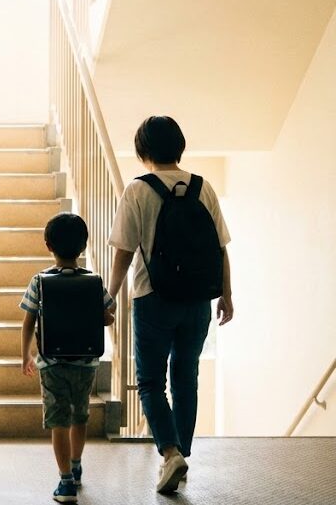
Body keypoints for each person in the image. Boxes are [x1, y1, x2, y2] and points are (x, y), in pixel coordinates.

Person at [107, 115, 234, 494]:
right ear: (179, 146)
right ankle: (182, 453)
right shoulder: (203, 187)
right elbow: (221, 248)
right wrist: (227, 294)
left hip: (153, 299)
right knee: (186, 376)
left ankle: (170, 452)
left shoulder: (138, 190)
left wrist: (110, 295)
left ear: (142, 150)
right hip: (197, 301)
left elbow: (124, 252)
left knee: (150, 382)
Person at [21, 212, 116, 503]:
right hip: (86, 363)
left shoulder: (40, 282)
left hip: (51, 363)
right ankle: (76, 466)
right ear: (84, 246)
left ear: (48, 244)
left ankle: (65, 482)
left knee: (58, 419)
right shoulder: (93, 282)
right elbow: (108, 317)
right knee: (80, 414)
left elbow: (28, 321)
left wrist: (25, 354)